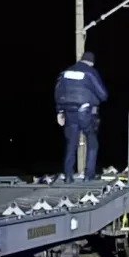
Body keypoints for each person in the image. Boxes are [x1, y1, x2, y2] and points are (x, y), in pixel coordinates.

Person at [53, 51, 108, 180]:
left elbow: (58, 92)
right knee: (92, 142)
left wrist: (60, 112)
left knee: (71, 143)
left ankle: (68, 176)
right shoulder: (90, 72)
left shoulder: (66, 72)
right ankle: (89, 175)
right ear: (91, 62)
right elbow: (103, 95)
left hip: (68, 113)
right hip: (85, 112)